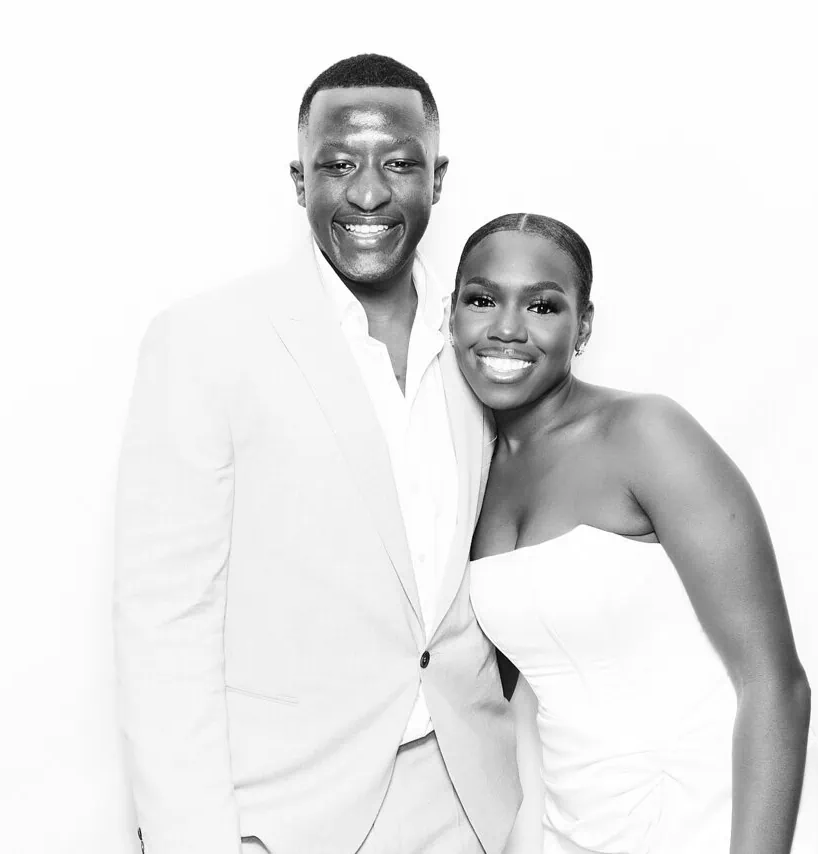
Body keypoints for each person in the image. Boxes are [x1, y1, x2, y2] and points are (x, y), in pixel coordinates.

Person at [114, 56, 521, 853]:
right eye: (337, 165)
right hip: (286, 816)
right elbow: (164, 621)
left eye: (399, 163)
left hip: (466, 800)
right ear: (300, 181)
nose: (368, 193)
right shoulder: (205, 343)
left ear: (437, 178)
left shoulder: (487, 340)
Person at [453, 213, 818, 853]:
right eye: (483, 299)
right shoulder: (468, 469)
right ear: (453, 313)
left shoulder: (646, 434)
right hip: (577, 821)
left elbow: (776, 683)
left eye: (543, 305)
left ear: (583, 326)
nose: (506, 328)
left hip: (725, 808)